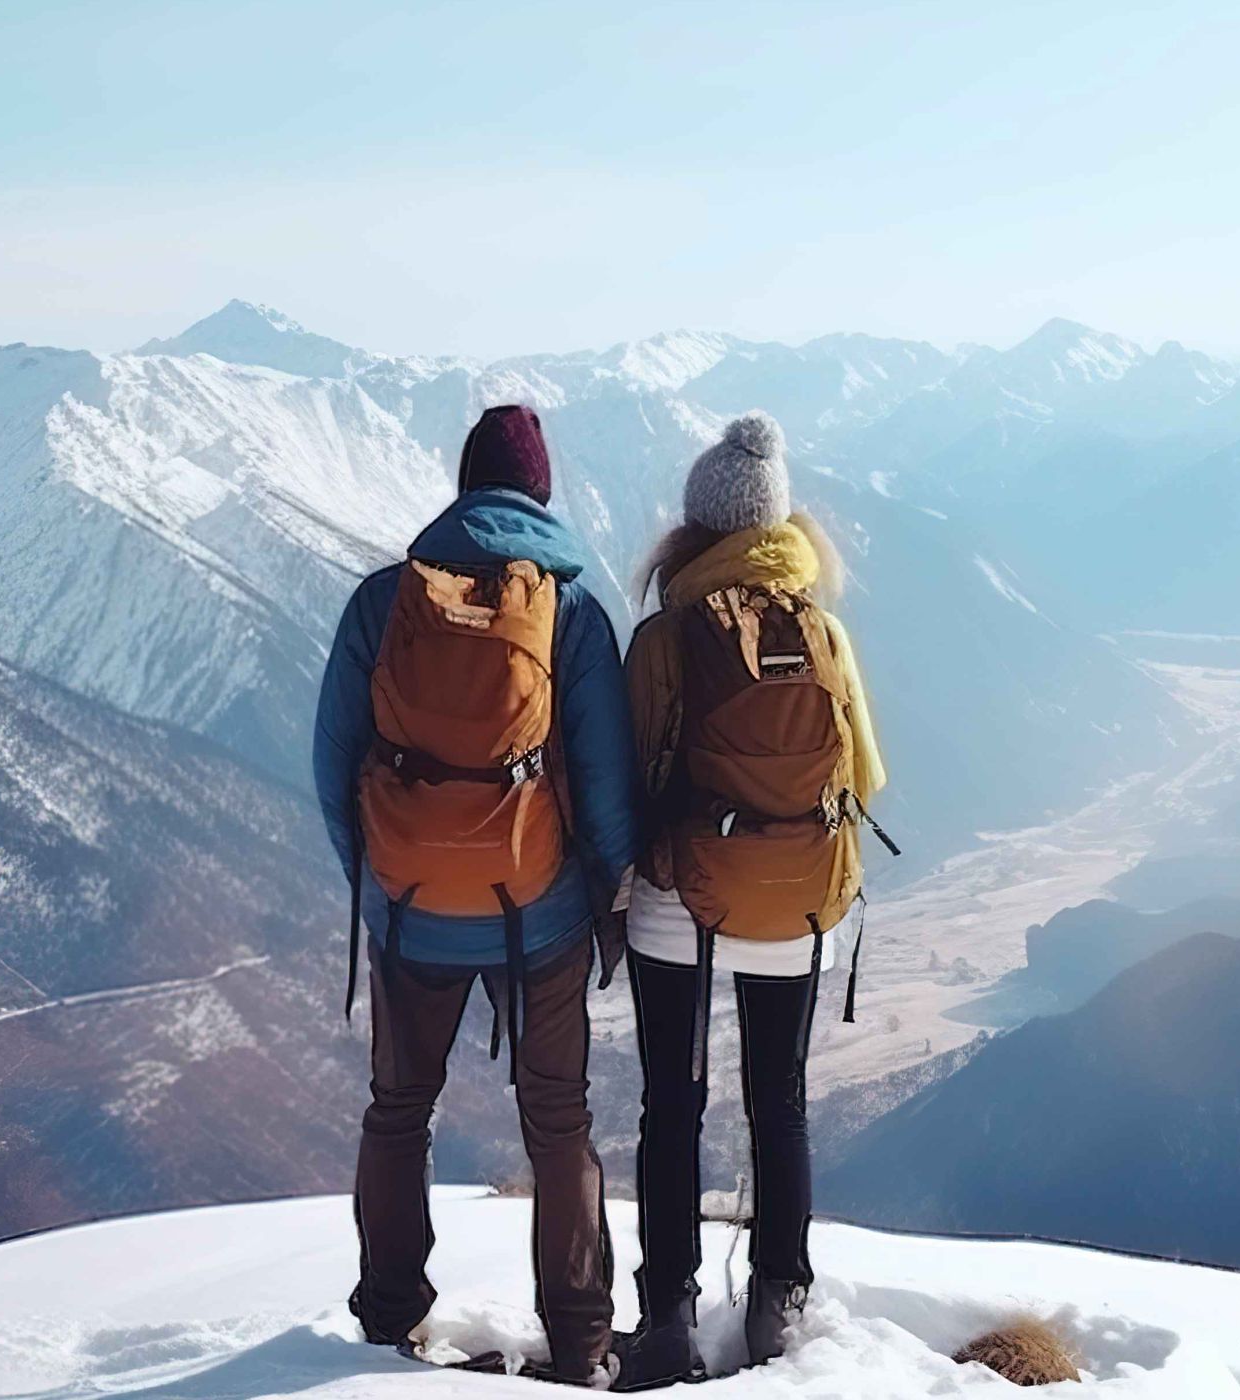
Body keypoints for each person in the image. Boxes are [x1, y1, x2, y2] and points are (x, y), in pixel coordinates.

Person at [312, 403, 639, 1385]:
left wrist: (378, 886)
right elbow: (608, 783)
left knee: (397, 1107)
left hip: (410, 913)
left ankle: (387, 1318)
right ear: (541, 495)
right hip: (537, 917)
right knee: (559, 1118)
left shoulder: (383, 601)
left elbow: (334, 763)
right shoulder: (572, 613)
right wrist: (607, 908)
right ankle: (581, 1339)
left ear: (463, 488)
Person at [610, 412, 890, 1390]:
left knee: (670, 1108)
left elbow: (630, 778)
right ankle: (778, 1305)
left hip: (679, 903)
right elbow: (868, 773)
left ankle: (666, 1321)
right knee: (781, 1101)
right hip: (798, 905)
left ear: (693, 531)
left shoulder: (664, 637)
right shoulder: (825, 632)